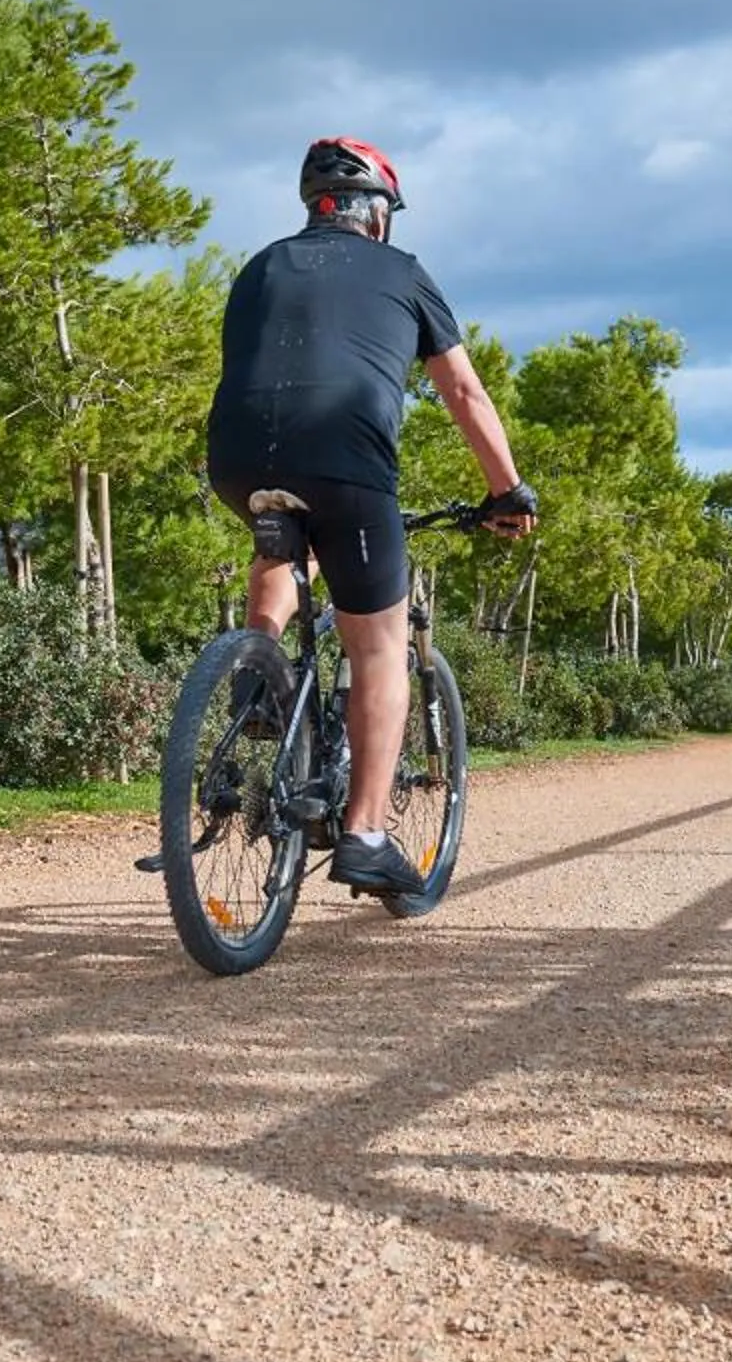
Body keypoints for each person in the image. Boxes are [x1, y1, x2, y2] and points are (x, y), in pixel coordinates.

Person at [206, 136, 536, 898]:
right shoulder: (404, 272)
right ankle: (366, 832)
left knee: (289, 543)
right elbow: (463, 393)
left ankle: (257, 664)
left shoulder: (259, 266)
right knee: (380, 645)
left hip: (238, 458)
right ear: (378, 213)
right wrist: (507, 491)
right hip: (346, 459)